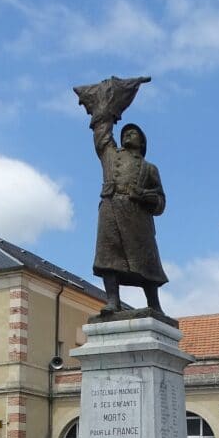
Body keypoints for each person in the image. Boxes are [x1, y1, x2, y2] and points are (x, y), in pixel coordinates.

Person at [74, 76, 169, 315]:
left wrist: (145, 196)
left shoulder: (149, 168)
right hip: (111, 208)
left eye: (133, 133)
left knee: (146, 261)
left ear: (142, 142)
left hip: (137, 216)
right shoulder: (110, 155)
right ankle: (112, 301)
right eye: (125, 132)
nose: (127, 135)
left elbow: (160, 202)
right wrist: (106, 107)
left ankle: (154, 304)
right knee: (108, 257)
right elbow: (102, 134)